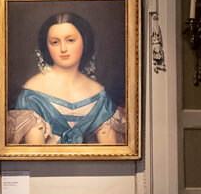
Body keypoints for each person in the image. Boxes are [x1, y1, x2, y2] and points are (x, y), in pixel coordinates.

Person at [8, 12, 126, 145]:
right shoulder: (32, 94)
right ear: (46, 46)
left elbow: (110, 155)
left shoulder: (100, 95)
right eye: (55, 42)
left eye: (70, 40)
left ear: (84, 41)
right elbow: (35, 158)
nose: (63, 49)